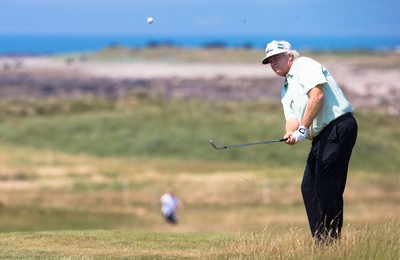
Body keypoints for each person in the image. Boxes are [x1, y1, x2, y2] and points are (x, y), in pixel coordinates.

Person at [261, 40, 358, 243]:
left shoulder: (304, 64)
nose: (273, 63)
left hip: (338, 126)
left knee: (326, 186)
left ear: (289, 56)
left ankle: (330, 242)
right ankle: (321, 241)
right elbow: (292, 119)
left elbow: (317, 95)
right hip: (322, 134)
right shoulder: (286, 87)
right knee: (308, 187)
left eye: (276, 58)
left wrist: (303, 129)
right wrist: (291, 133)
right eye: (270, 61)